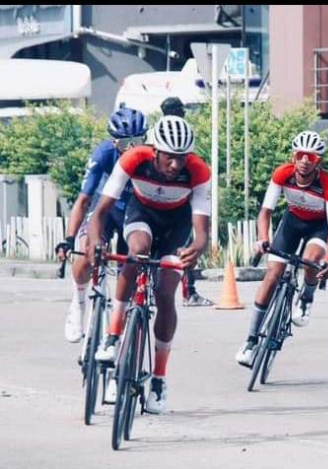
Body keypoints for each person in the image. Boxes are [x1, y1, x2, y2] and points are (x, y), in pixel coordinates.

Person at [89, 115, 211, 414]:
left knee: (166, 291)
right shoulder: (133, 159)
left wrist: (197, 246)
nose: (175, 166)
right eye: (169, 157)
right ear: (155, 151)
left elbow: (201, 230)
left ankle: (158, 378)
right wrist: (95, 241)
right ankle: (113, 336)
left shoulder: (197, 171)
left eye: (182, 158)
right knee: (137, 252)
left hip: (175, 226)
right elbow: (101, 211)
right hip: (141, 213)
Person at [235, 130, 328, 367]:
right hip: (292, 222)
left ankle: (306, 296)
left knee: (309, 260)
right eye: (301, 155)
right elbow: (266, 212)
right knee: (272, 275)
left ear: (318, 162)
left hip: (319, 227)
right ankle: (251, 340)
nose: (305, 161)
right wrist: (263, 239)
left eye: (311, 157)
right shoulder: (282, 174)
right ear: (294, 156)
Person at [55, 107, 148, 343]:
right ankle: (78, 301)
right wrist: (68, 239)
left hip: (132, 214)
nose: (131, 148)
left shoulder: (150, 157)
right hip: (104, 211)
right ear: (113, 140)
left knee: (131, 270)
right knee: (87, 252)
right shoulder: (104, 153)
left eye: (137, 141)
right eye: (125, 142)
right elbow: (83, 200)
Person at [158, 96, 214, 307]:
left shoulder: (159, 131)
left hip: (163, 195)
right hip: (178, 198)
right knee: (185, 246)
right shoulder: (178, 131)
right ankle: (189, 292)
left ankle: (143, 287)